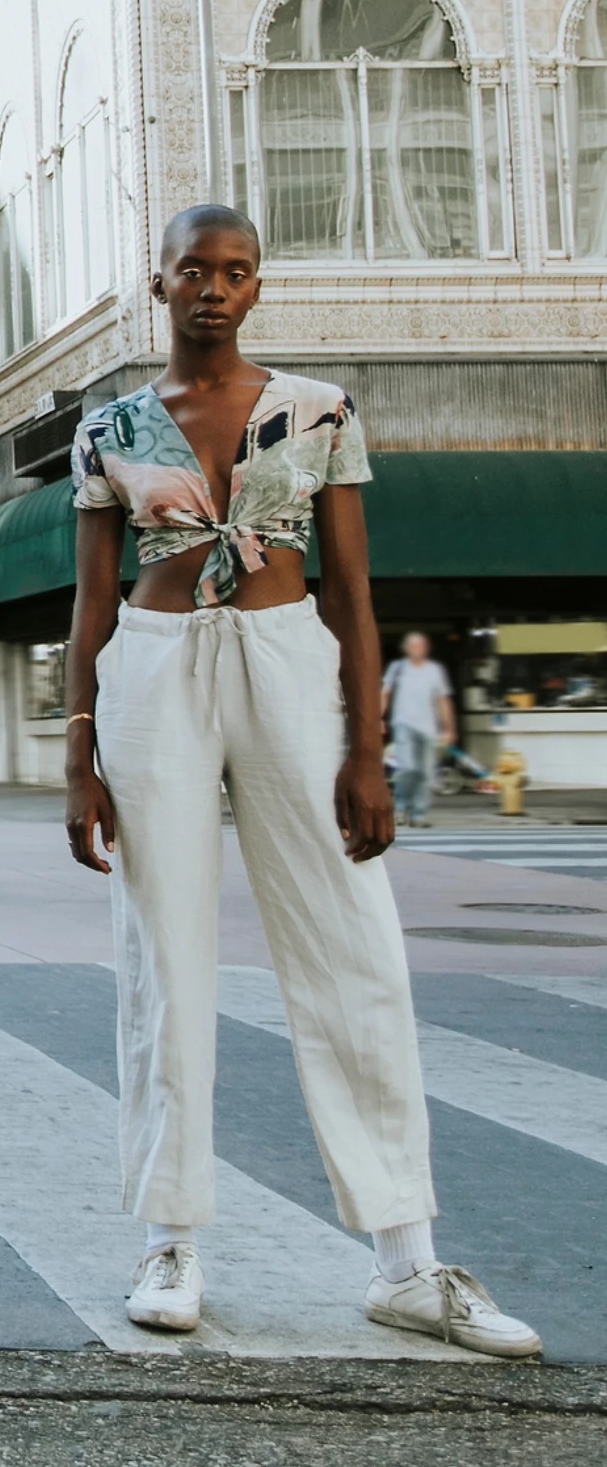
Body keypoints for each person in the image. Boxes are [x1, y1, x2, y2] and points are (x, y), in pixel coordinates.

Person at [62, 205, 537, 1356]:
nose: (213, 288)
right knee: (162, 953)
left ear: (257, 286)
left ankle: (405, 1257)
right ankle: (169, 1235)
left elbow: (355, 594)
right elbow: (90, 599)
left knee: (351, 942)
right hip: (154, 668)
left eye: (235, 272)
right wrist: (79, 752)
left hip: (286, 665)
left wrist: (368, 750)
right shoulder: (111, 424)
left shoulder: (320, 408)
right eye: (194, 270)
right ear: (160, 281)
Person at [383, 633, 457, 828]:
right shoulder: (398, 668)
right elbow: (385, 693)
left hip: (428, 728)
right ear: (406, 648)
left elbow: (442, 700)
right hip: (403, 724)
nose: (418, 649)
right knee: (408, 768)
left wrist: (449, 728)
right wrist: (376, 719)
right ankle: (400, 806)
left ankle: (418, 814)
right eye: (414, 646)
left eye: (421, 645)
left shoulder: (434, 670)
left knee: (425, 773)